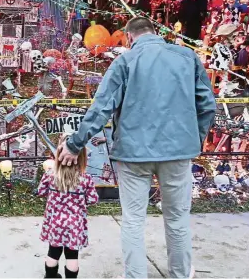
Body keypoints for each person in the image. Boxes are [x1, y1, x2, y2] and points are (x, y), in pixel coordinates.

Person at [57, 17, 216, 278]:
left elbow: (102, 108)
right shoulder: (187, 58)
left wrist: (75, 144)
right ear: (155, 33)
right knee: (177, 219)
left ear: (129, 38)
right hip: (178, 152)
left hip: (133, 154)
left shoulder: (125, 62)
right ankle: (180, 273)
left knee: (133, 220)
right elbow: (207, 105)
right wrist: (193, 141)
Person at [38, 136, 99, 278]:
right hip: (74, 225)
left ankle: (50, 276)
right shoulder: (85, 179)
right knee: (72, 255)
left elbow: (40, 192)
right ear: (82, 157)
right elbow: (92, 199)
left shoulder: (50, 175)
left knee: (53, 252)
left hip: (54, 223)